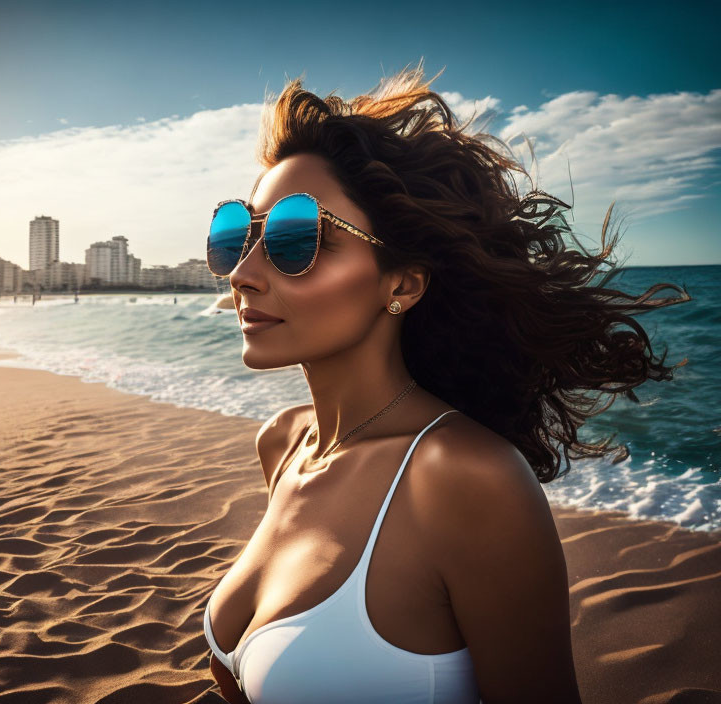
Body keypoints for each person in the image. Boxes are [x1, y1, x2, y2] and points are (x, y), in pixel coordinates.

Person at [202, 65, 689, 704]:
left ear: (401, 284)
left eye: (297, 238)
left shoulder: (465, 478)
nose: (243, 272)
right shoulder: (284, 444)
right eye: (238, 236)